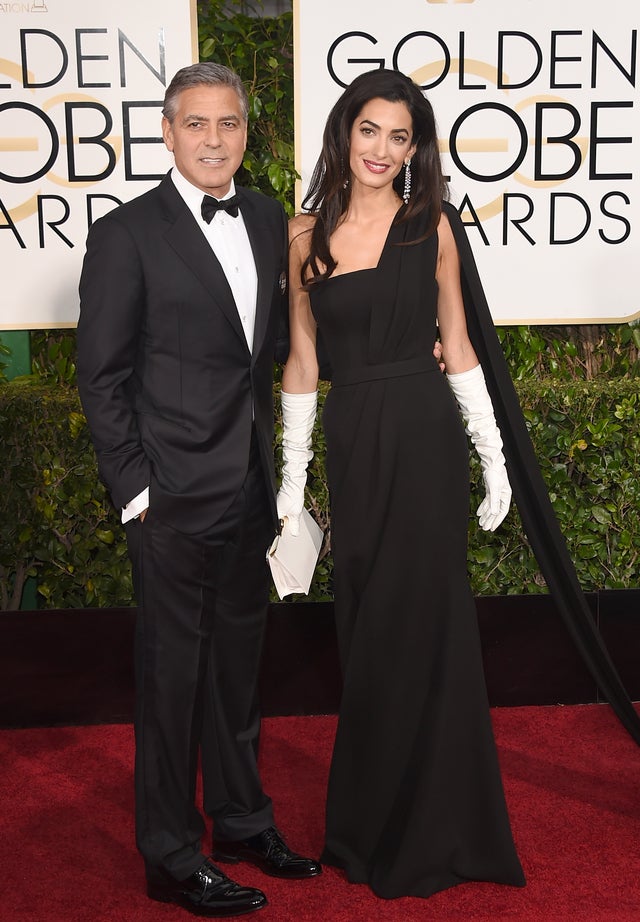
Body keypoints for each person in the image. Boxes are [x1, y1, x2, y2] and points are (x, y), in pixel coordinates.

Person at [77, 62, 321, 918]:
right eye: (196, 125)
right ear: (168, 132)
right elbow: (100, 377)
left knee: (236, 676)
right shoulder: (126, 234)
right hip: (170, 500)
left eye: (228, 125)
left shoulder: (264, 217)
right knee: (171, 683)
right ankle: (172, 856)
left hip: (248, 490)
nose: (214, 140)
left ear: (245, 133)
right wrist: (136, 492)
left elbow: (289, 341)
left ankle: (243, 821)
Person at [277, 67, 526, 899]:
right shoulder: (302, 235)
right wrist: (290, 481)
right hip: (354, 446)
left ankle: (444, 829)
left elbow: (457, 346)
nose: (383, 149)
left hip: (422, 441)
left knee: (433, 622)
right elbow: (304, 363)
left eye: (400, 135)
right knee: (368, 629)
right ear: (345, 134)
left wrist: (492, 456)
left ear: (415, 147)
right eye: (369, 130)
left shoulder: (434, 226)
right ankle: (371, 823)